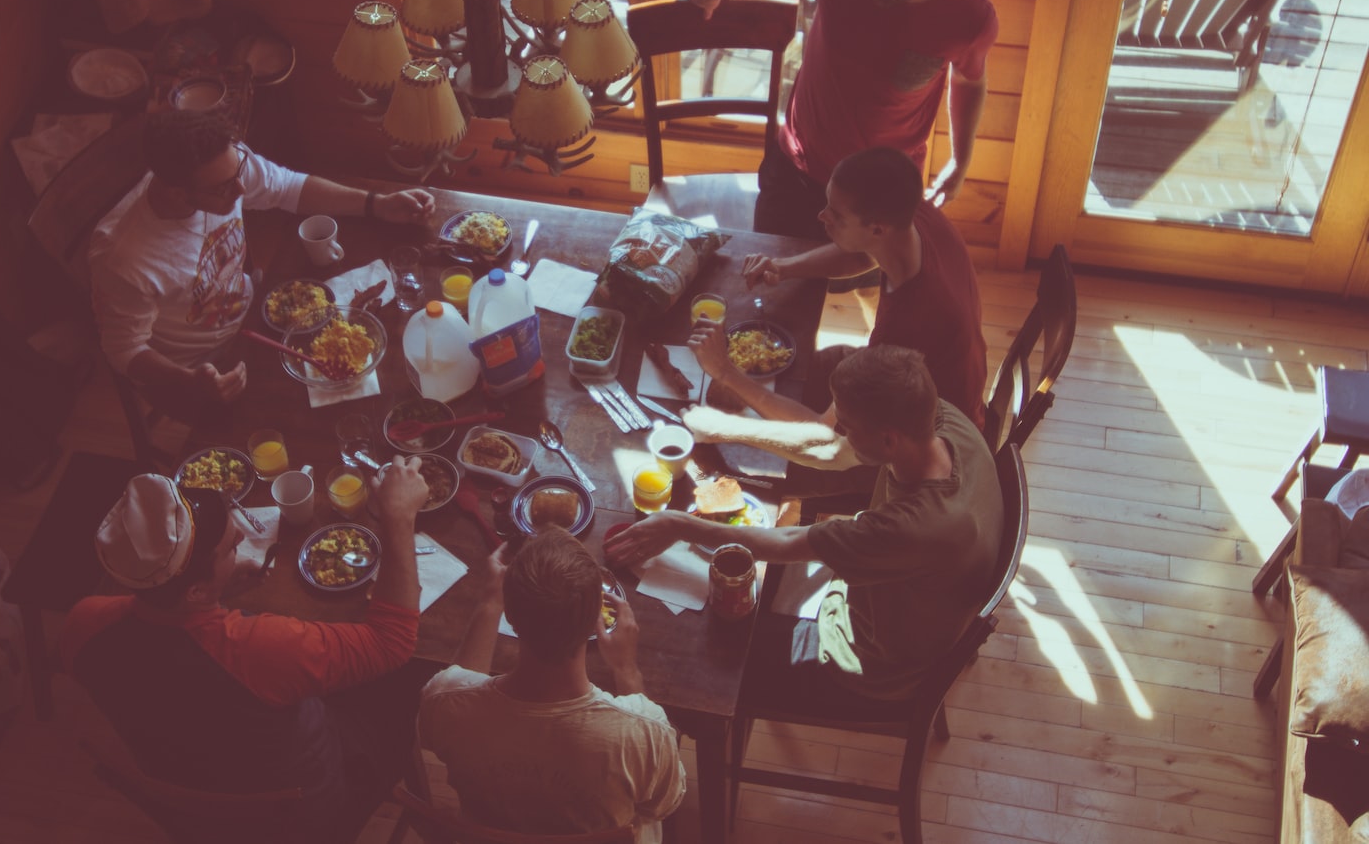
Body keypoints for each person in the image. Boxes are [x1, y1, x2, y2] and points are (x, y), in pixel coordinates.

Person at [60, 457, 433, 844]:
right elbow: (393, 641)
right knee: (411, 677)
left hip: (200, 802)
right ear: (194, 590)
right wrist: (399, 516)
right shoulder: (255, 651)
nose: (240, 537)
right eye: (227, 548)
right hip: (310, 813)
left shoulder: (82, 624)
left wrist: (209, 597)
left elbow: (157, 657)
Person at [608, 346, 1003, 708]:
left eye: (846, 425)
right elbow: (829, 457)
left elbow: (787, 543)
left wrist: (680, 525)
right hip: (918, 607)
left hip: (873, 664)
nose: (838, 432)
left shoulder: (912, 527)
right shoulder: (944, 419)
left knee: (705, 656)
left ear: (888, 440)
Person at [687, 0, 998, 240]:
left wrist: (960, 162)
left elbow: (970, 80)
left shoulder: (969, 19)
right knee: (770, 276)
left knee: (869, 289)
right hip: (797, 168)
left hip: (882, 191)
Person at [89, 109, 436, 418]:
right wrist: (190, 380)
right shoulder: (122, 257)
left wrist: (377, 204)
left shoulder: (224, 166)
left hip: (259, 318)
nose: (241, 188)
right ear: (179, 193)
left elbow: (286, 188)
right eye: (225, 187)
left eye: (239, 170)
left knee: (387, 366)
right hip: (203, 370)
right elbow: (124, 348)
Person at [685, 147, 985, 486]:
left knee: (750, 465)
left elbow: (825, 441)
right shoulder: (914, 216)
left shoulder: (910, 326)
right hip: (930, 383)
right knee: (796, 372)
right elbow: (862, 256)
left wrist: (724, 392)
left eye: (837, 215)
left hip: (929, 445)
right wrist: (784, 268)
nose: (821, 216)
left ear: (877, 229)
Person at [417, 529, 685, 843]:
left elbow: (459, 687)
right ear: (596, 622)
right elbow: (664, 804)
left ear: (511, 617)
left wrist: (490, 603)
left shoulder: (442, 700)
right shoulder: (643, 733)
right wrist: (626, 669)